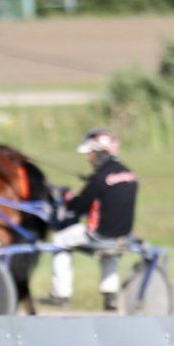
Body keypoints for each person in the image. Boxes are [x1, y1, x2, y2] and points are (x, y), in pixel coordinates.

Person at [40, 128, 140, 311]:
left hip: (98, 236)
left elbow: (77, 206)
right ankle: (110, 296)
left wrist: (67, 197)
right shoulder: (129, 174)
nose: (89, 158)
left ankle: (60, 295)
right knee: (109, 251)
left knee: (59, 240)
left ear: (101, 152)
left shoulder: (99, 178)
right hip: (122, 237)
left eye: (91, 153)